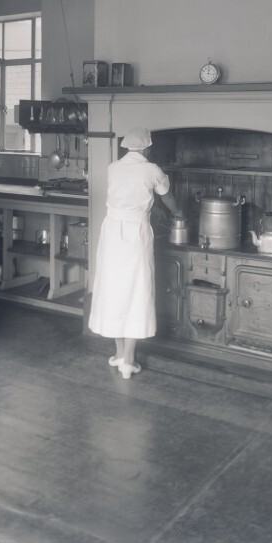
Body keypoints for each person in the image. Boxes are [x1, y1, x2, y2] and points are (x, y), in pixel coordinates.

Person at [87, 126, 183, 380]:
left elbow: (128, 193)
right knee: (136, 289)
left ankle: (119, 353)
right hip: (135, 233)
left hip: (111, 232)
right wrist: (179, 213)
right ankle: (128, 360)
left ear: (126, 147)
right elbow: (167, 197)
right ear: (148, 148)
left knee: (114, 288)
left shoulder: (113, 167)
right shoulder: (152, 170)